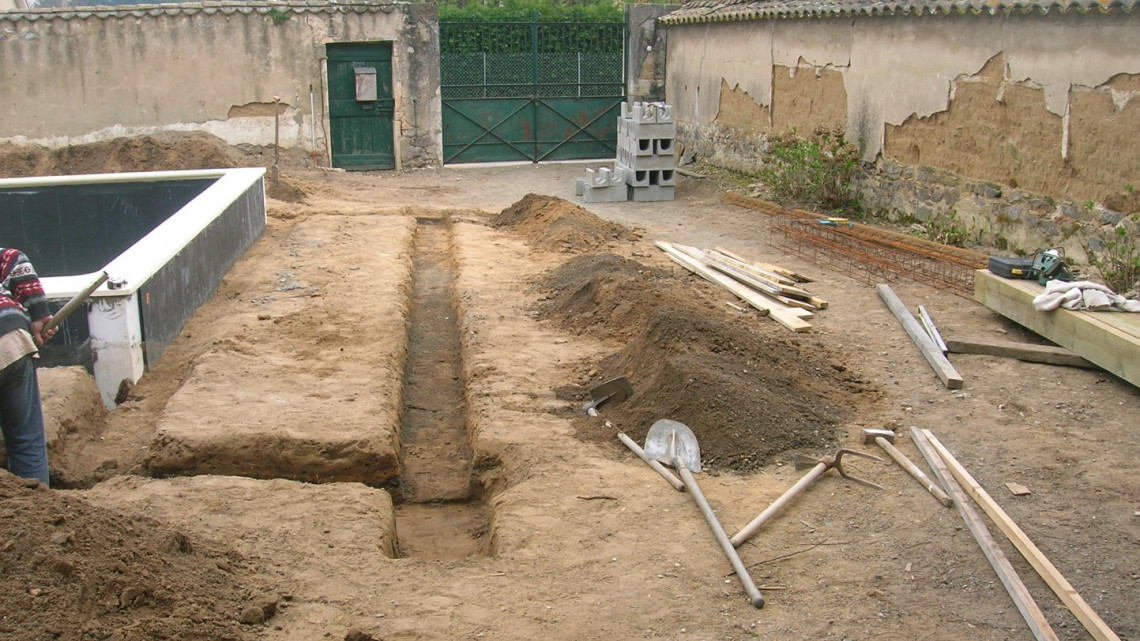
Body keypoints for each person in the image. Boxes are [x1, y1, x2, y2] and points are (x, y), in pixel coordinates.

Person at [0, 248, 57, 487]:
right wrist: (39, 313)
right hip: (11, 337)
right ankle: (39, 514)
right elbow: (14, 258)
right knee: (26, 440)